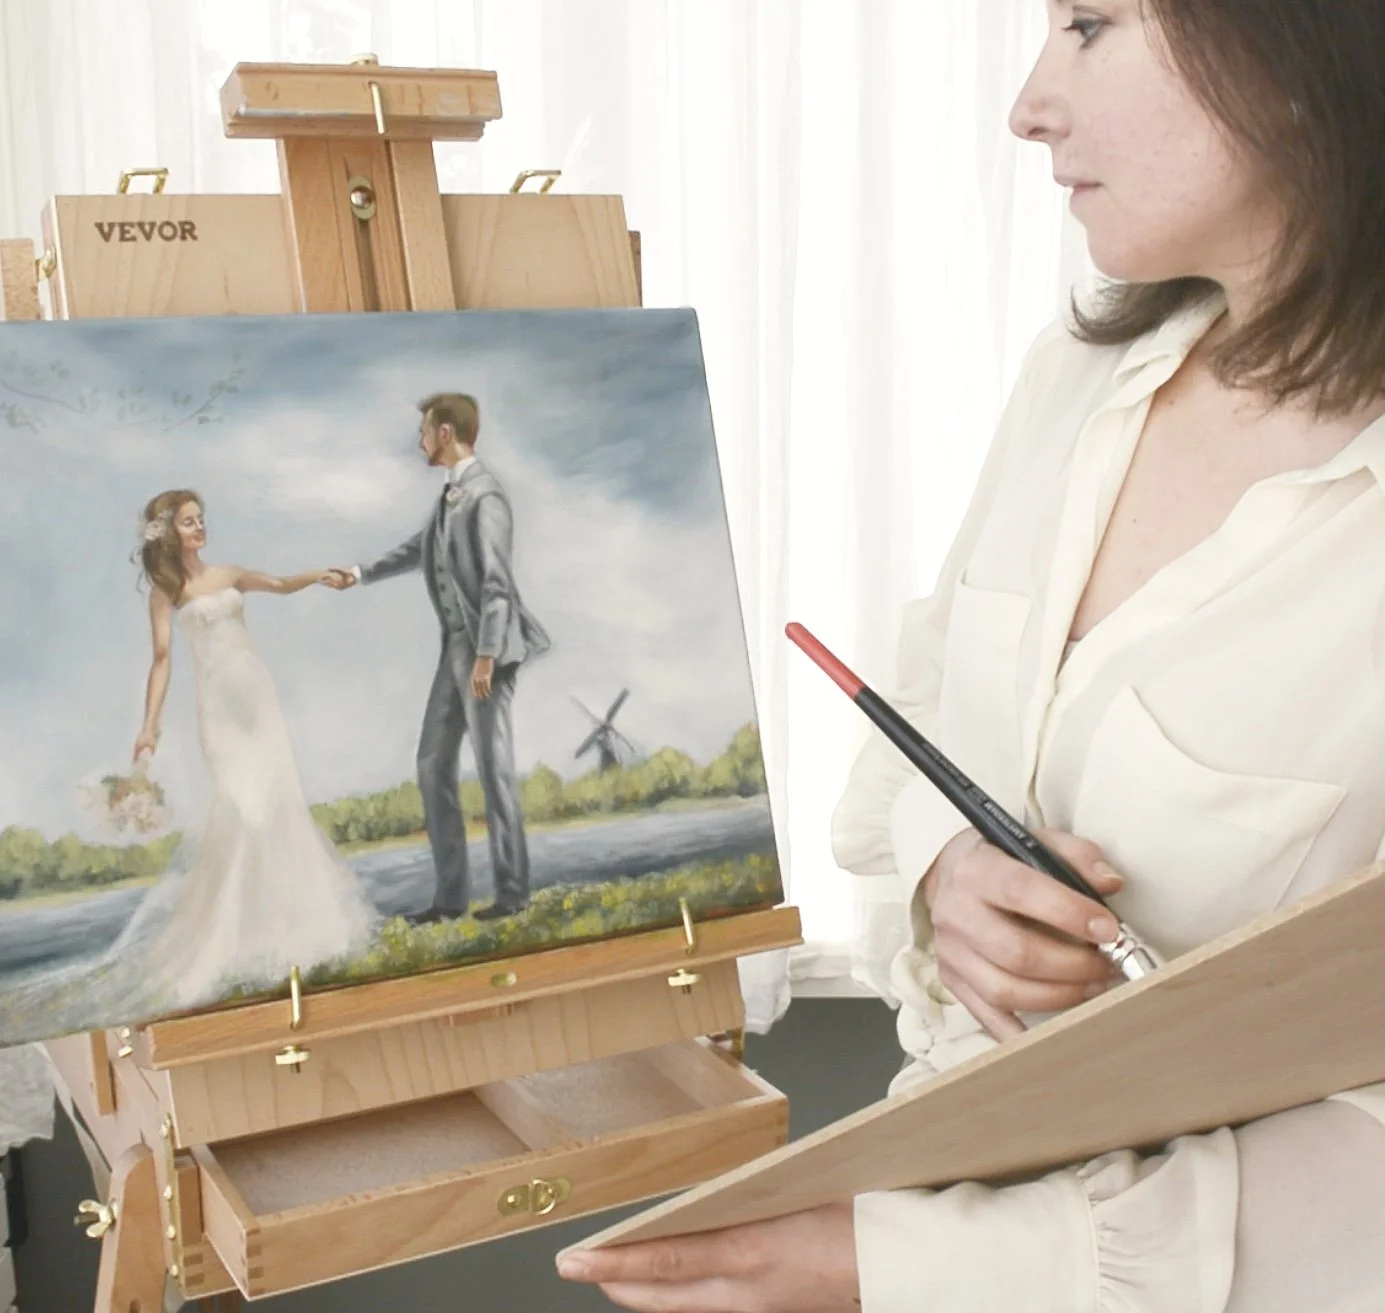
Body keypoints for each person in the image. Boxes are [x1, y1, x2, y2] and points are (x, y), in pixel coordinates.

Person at [554, 1, 1385, 1308]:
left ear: (1302, 42)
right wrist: (951, 874)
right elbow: (914, 746)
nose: (1029, 102)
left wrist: (888, 1266)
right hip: (914, 1178)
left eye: (1092, 25)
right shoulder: (1079, 373)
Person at [125, 489, 377, 1010]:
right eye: (190, 522)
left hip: (259, 703)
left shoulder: (230, 573)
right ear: (170, 533)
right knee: (241, 810)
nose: (200, 528)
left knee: (279, 806)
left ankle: (294, 933)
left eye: (201, 519)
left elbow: (281, 585)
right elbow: (162, 658)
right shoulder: (166, 590)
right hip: (218, 712)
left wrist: (316, 576)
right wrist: (149, 726)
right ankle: (233, 941)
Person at [328, 393, 550, 923]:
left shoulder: (487, 496)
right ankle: (450, 900)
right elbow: (419, 549)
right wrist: (359, 573)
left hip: (486, 653)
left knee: (494, 771)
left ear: (447, 432)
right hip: (455, 647)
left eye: (425, 430)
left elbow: (497, 586)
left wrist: (487, 656)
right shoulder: (450, 495)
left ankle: (513, 895)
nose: (420, 440)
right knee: (432, 763)